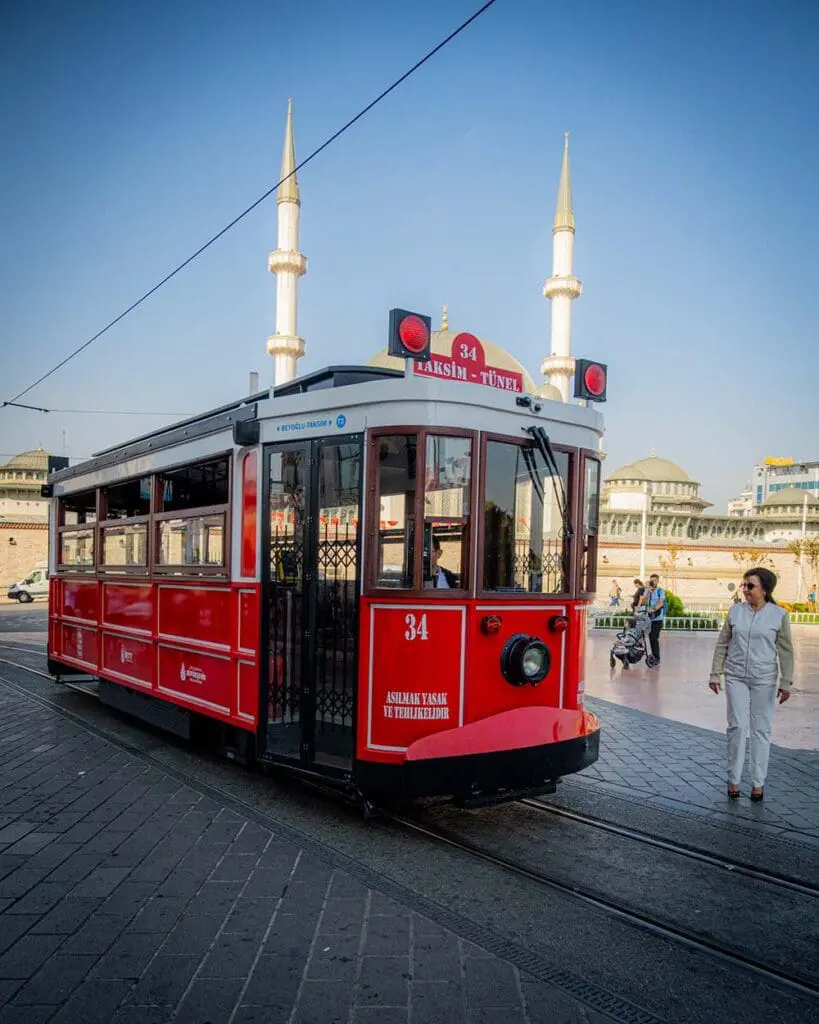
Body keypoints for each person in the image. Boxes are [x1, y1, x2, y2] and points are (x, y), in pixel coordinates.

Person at [708, 567, 793, 801]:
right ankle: (733, 779)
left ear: (764, 589)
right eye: (743, 585)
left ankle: (758, 782)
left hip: (764, 678)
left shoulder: (778, 615)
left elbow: (786, 651)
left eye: (750, 586)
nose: (745, 589)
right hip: (735, 676)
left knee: (761, 730)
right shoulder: (736, 612)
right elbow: (722, 643)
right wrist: (715, 673)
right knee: (737, 726)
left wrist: (786, 681)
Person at [638, 574, 665, 664]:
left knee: (653, 638)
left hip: (657, 619)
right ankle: (639, 654)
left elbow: (661, 603)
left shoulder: (660, 591)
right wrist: (648, 591)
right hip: (648, 618)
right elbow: (644, 601)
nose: (652, 582)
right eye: (651, 580)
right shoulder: (647, 590)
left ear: (657, 581)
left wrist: (653, 609)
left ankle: (657, 658)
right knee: (642, 635)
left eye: (654, 580)